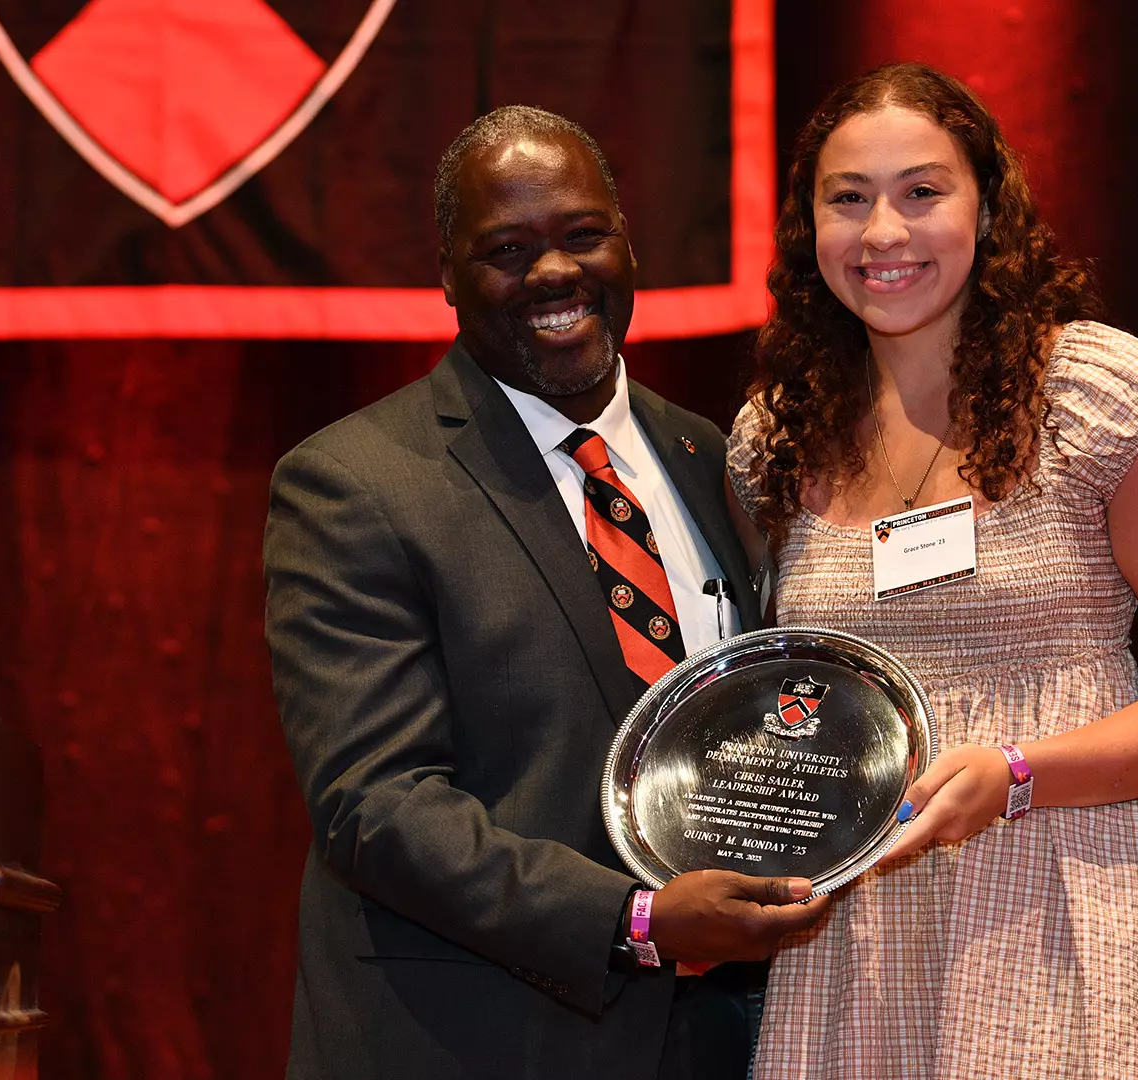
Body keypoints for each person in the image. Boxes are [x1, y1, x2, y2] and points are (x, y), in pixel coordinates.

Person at [726, 64, 1138, 1078]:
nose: (884, 232)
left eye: (921, 191)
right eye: (847, 199)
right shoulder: (771, 439)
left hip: (1071, 905)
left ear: (989, 207)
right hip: (860, 941)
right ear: (807, 231)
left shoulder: (1103, 395)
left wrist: (1021, 775)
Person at [264, 105, 828, 1080]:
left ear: (628, 245)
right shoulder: (355, 481)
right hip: (476, 1039)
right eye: (508, 249)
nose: (555, 273)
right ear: (447, 274)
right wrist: (636, 918)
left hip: (718, 1041)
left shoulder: (717, 457)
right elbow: (377, 804)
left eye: (582, 236)